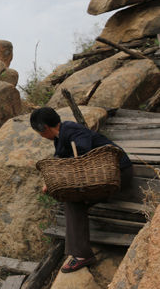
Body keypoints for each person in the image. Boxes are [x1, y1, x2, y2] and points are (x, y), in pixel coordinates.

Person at [30, 107, 133, 273]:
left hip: (117, 173)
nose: (41, 136)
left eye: (39, 132)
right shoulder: (60, 138)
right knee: (72, 199)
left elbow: (82, 154)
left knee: (73, 201)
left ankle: (82, 254)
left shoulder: (72, 130)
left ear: (45, 129)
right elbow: (61, 163)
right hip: (100, 178)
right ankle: (80, 252)